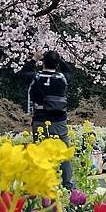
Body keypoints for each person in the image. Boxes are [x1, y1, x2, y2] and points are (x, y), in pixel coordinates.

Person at [19, 50, 74, 189]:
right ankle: (67, 183)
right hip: (59, 119)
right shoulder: (62, 77)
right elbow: (70, 71)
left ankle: (41, 182)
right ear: (56, 64)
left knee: (39, 151)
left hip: (40, 118)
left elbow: (23, 73)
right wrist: (58, 59)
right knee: (64, 151)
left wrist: (33, 59)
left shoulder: (36, 77)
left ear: (43, 62)